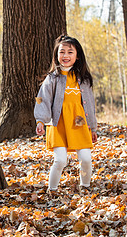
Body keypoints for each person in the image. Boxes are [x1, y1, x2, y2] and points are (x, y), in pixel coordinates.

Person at [34, 35, 97, 195]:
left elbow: (90, 104)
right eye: (62, 52)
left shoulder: (83, 79)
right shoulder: (52, 78)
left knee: (86, 159)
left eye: (70, 52)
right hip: (58, 124)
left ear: (77, 56)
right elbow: (43, 100)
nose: (66, 56)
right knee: (60, 160)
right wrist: (41, 121)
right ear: (56, 55)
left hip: (79, 123)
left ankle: (85, 186)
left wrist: (93, 127)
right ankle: (52, 190)